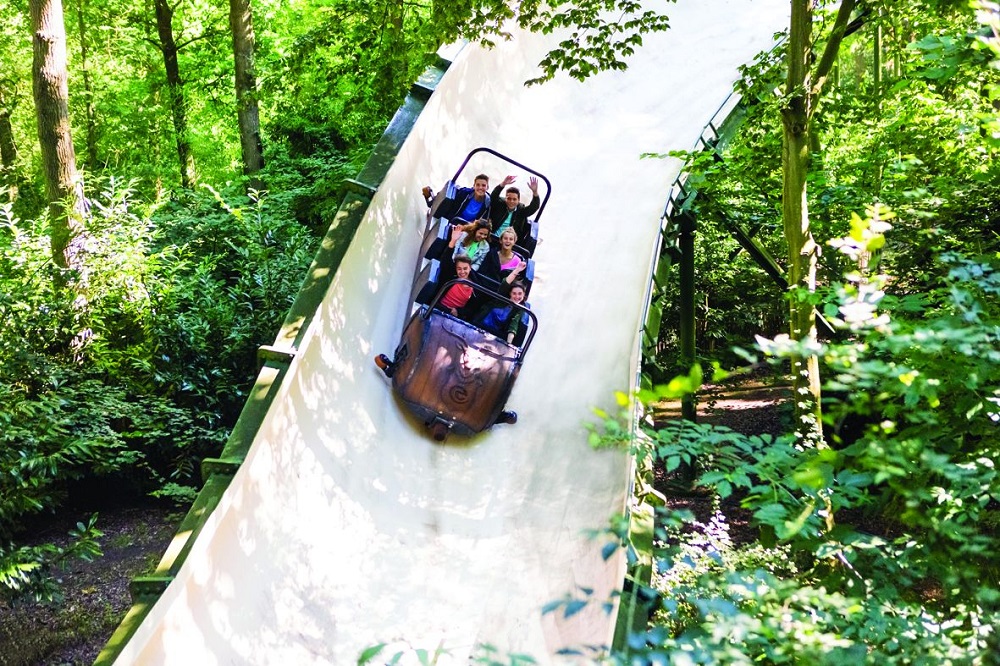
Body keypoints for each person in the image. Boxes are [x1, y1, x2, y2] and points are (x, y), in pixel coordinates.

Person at [489, 175, 540, 251]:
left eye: (514, 199)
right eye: (509, 198)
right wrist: (503, 184)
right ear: (505, 198)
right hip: (492, 237)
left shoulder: (521, 211)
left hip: (507, 244)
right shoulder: (500, 205)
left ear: (518, 200)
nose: (511, 201)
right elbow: (493, 197)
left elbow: (533, 207)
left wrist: (535, 192)